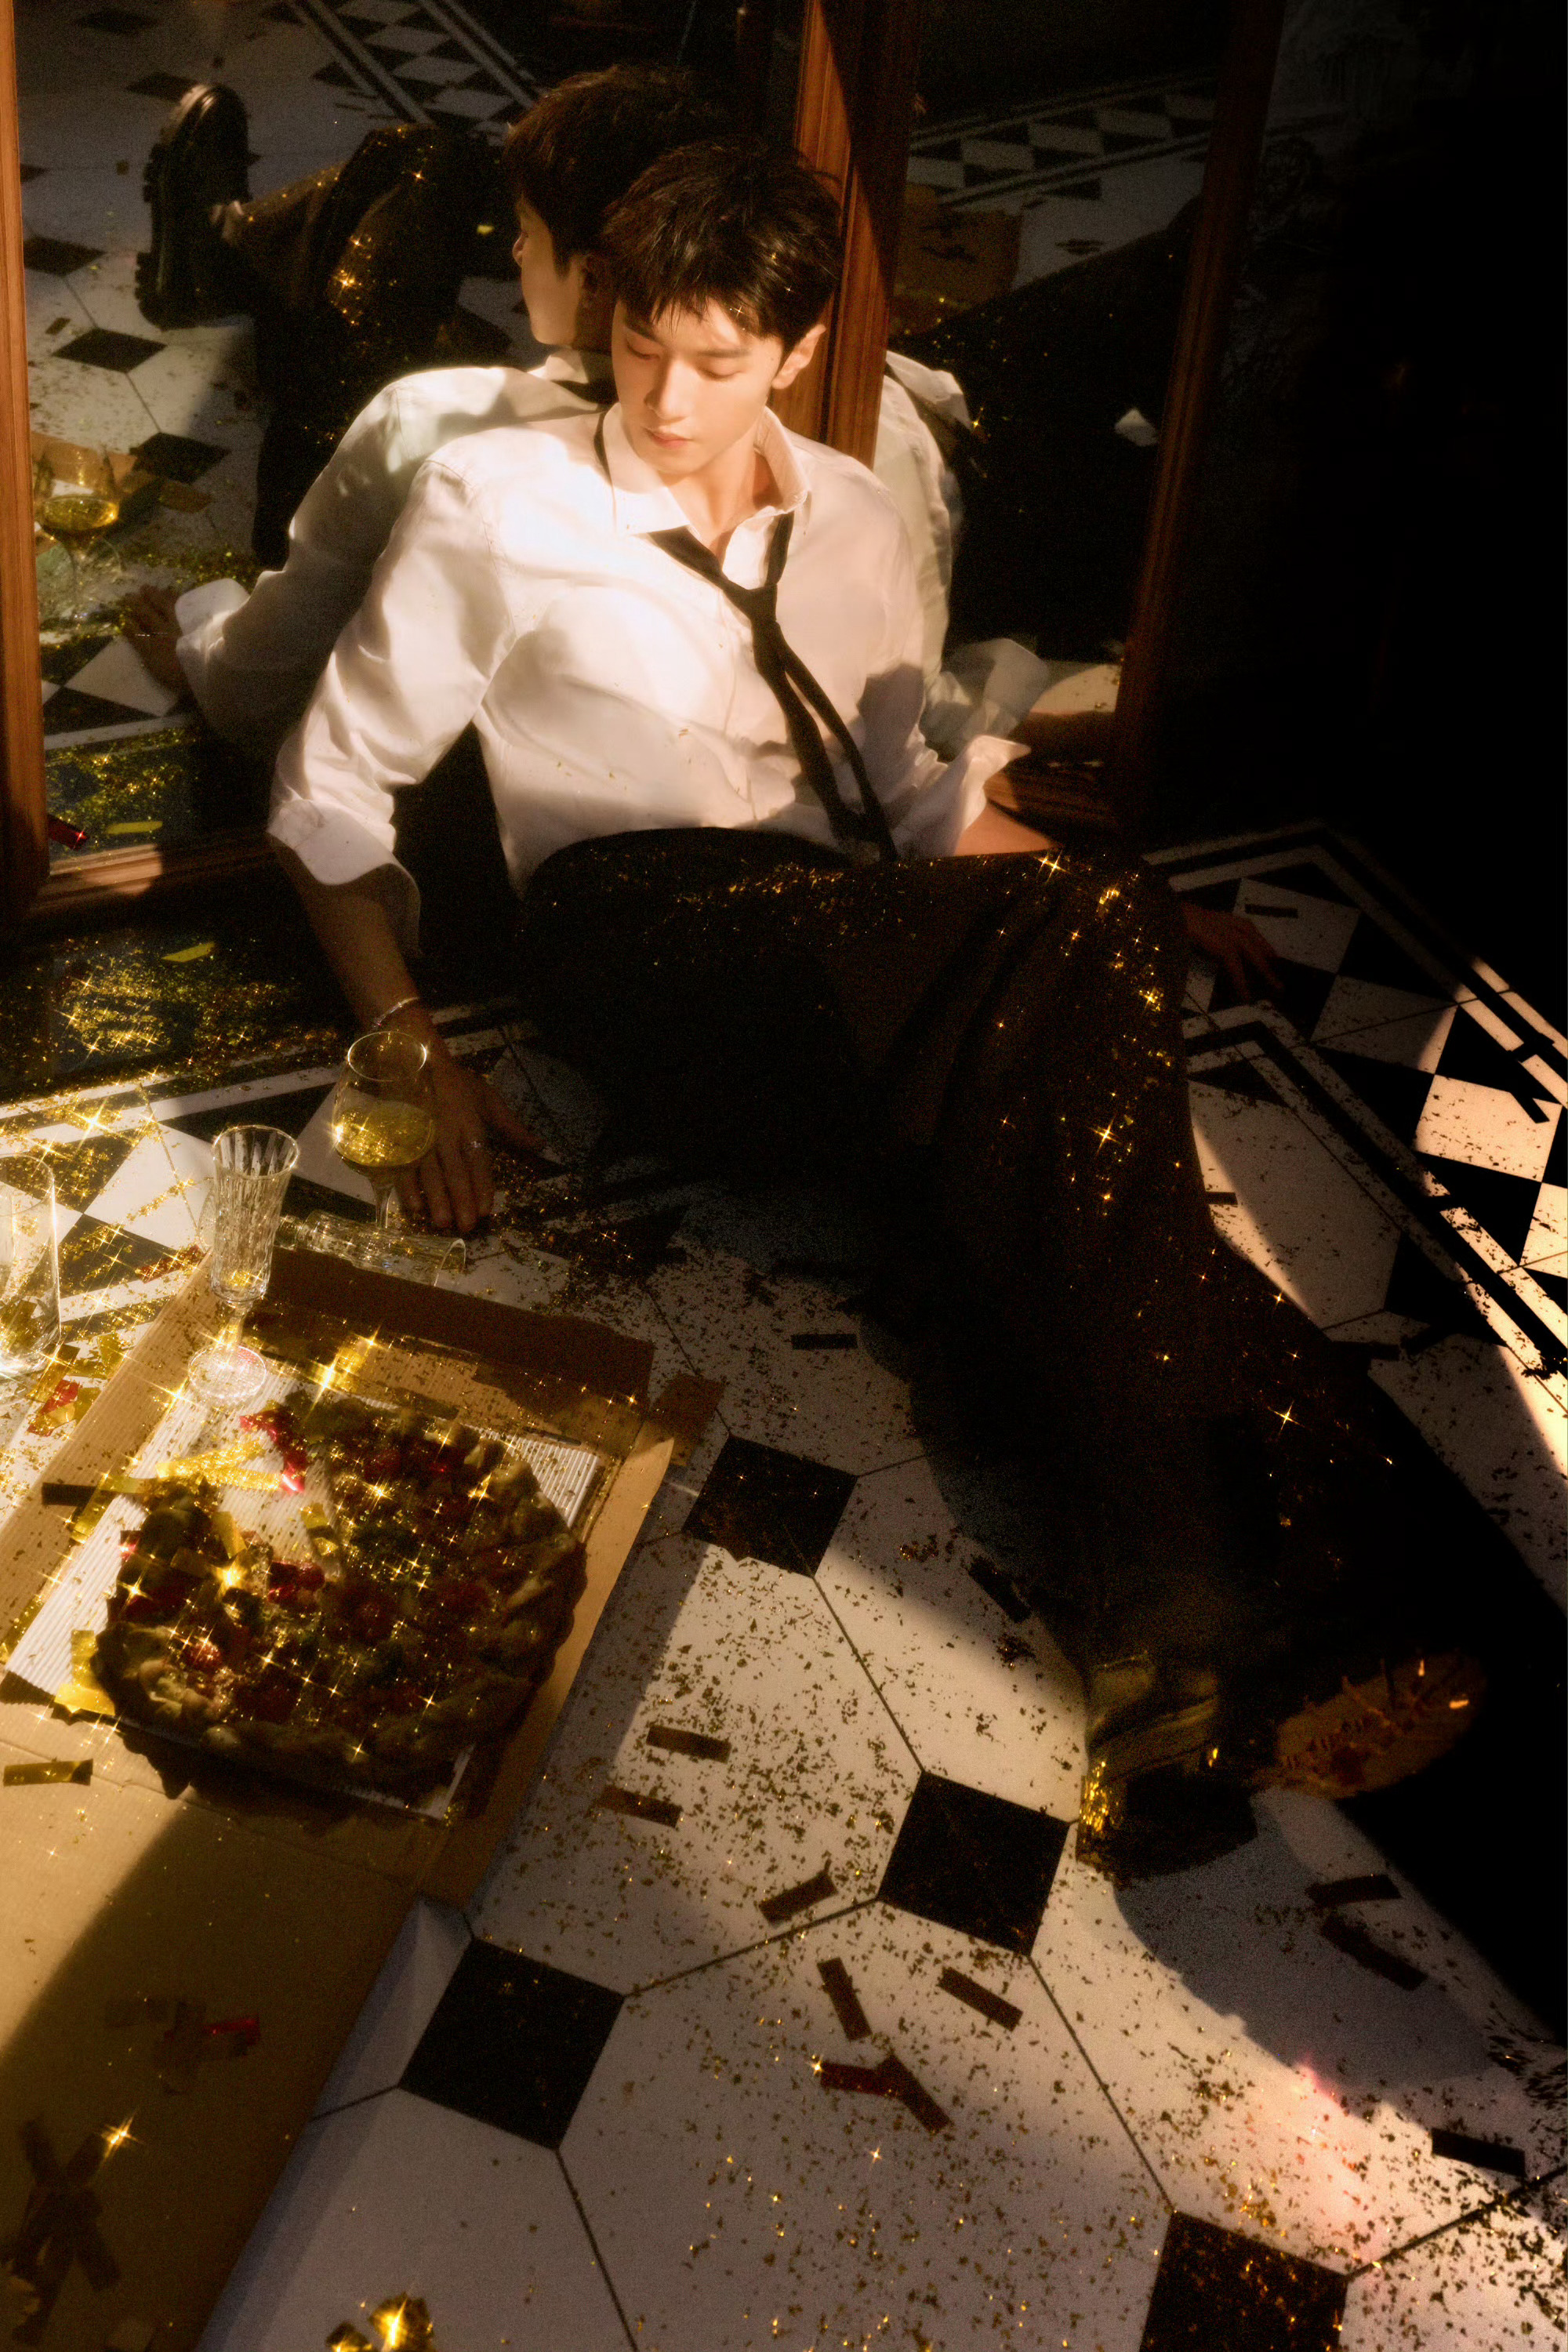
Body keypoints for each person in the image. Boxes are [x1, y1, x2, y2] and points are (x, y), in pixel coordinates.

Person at [267, 137, 1475, 1881]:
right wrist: (411, 1047)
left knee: (1056, 1154)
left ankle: (1186, 1632)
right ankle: (1228, 1592)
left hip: (849, 945)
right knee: (1063, 1040)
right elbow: (328, 788)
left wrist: (1109, 919)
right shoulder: (497, 504)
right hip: (640, 949)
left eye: (718, 361)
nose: (666, 402)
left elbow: (905, 790)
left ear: (800, 342)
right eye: (638, 349)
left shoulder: (856, 513)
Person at [126, 70, 1278, 1014]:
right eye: (648, 345)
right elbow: (330, 762)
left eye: (526, 235)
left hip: (974, 481)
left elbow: (894, 759)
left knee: (390, 222)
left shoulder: (441, 420)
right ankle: (229, 237)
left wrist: (203, 639)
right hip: (938, 427)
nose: (512, 254)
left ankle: (231, 240)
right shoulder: (502, 471)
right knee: (1129, 302)